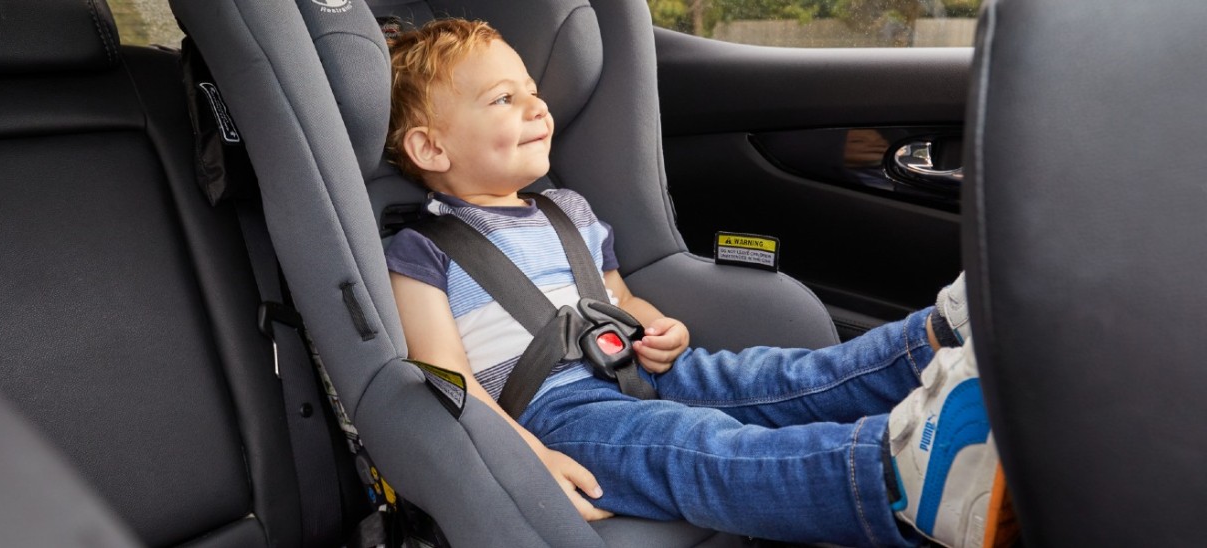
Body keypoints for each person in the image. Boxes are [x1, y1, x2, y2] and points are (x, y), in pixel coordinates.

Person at [382, 18, 1011, 548]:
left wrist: (660, 327)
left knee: (778, 376)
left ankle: (937, 339)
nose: (537, 105)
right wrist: (525, 458)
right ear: (432, 148)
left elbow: (616, 300)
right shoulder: (421, 252)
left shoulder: (565, 210)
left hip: (638, 370)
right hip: (556, 416)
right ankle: (894, 478)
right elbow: (449, 377)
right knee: (694, 446)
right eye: (502, 99)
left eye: (532, 90)